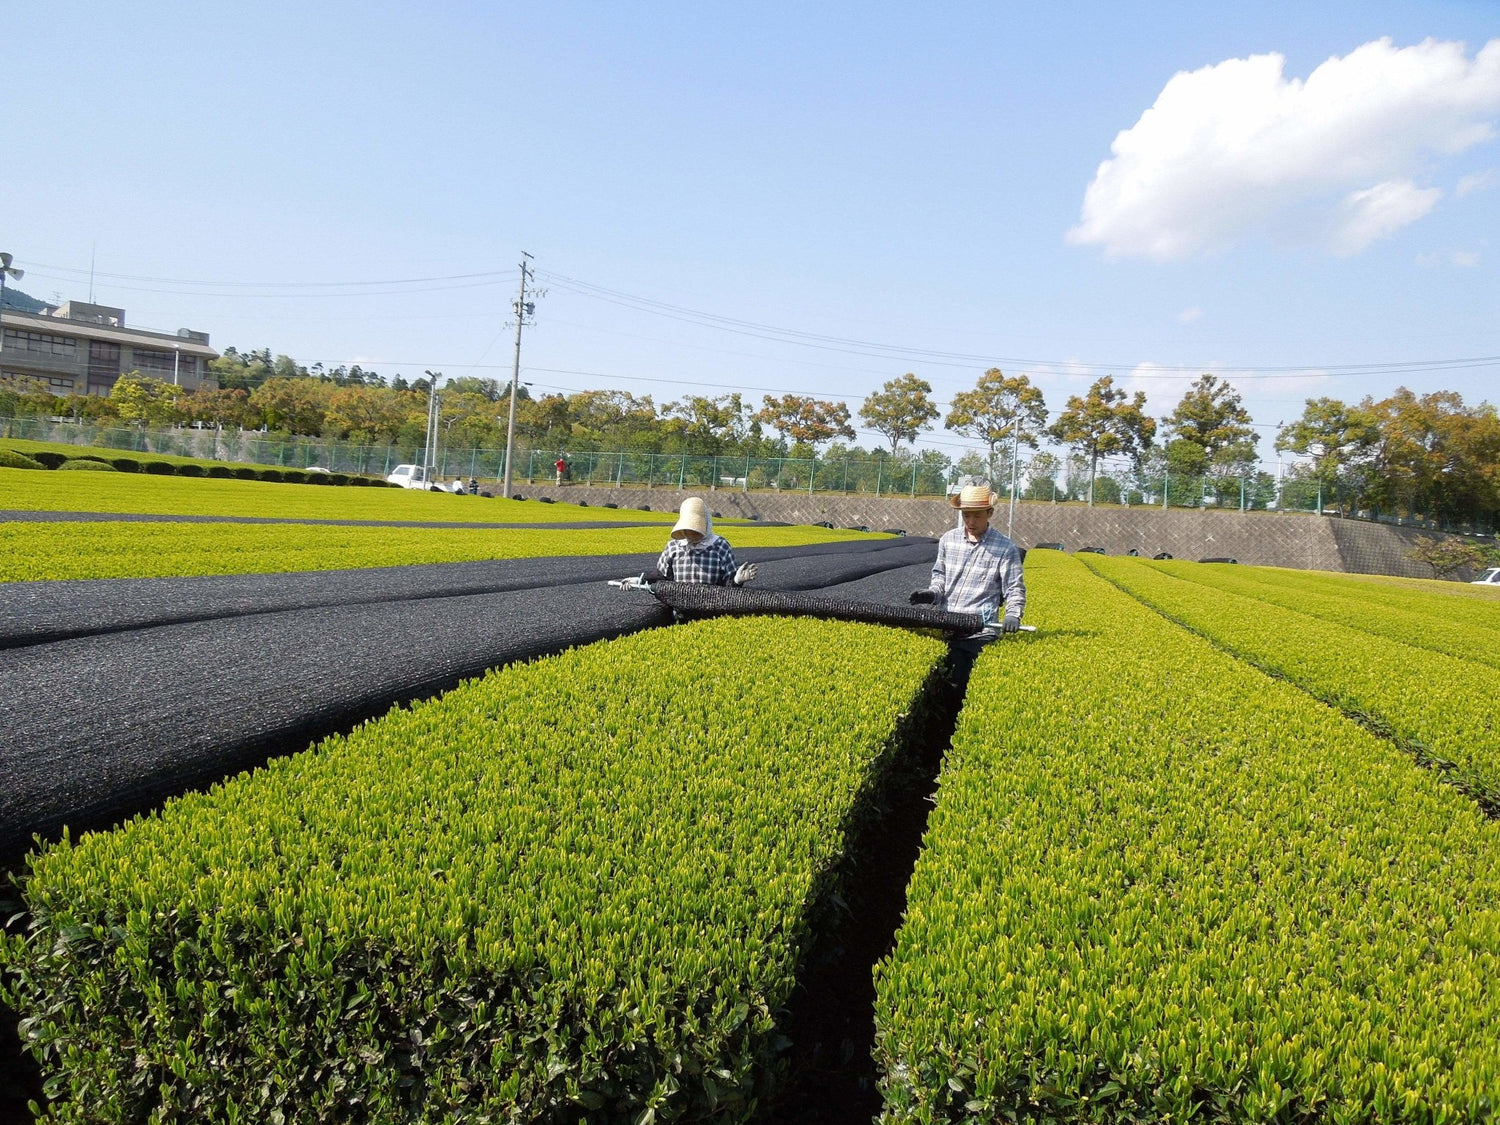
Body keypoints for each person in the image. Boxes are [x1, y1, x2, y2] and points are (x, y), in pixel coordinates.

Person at [911, 483, 1026, 678]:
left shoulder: (1005, 548)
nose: (971, 521)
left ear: (989, 513)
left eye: (977, 515)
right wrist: (931, 593)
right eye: (966, 515)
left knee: (963, 684)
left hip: (979, 633)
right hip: (947, 626)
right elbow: (940, 576)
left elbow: (1014, 588)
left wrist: (1013, 615)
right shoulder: (949, 540)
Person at [652, 497, 757, 586]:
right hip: (678, 606)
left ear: (706, 525)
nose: (691, 534)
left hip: (712, 605)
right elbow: (662, 578)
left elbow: (728, 584)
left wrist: (736, 580)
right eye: (687, 530)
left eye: (695, 530)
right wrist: (645, 580)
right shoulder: (673, 547)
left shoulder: (720, 546)